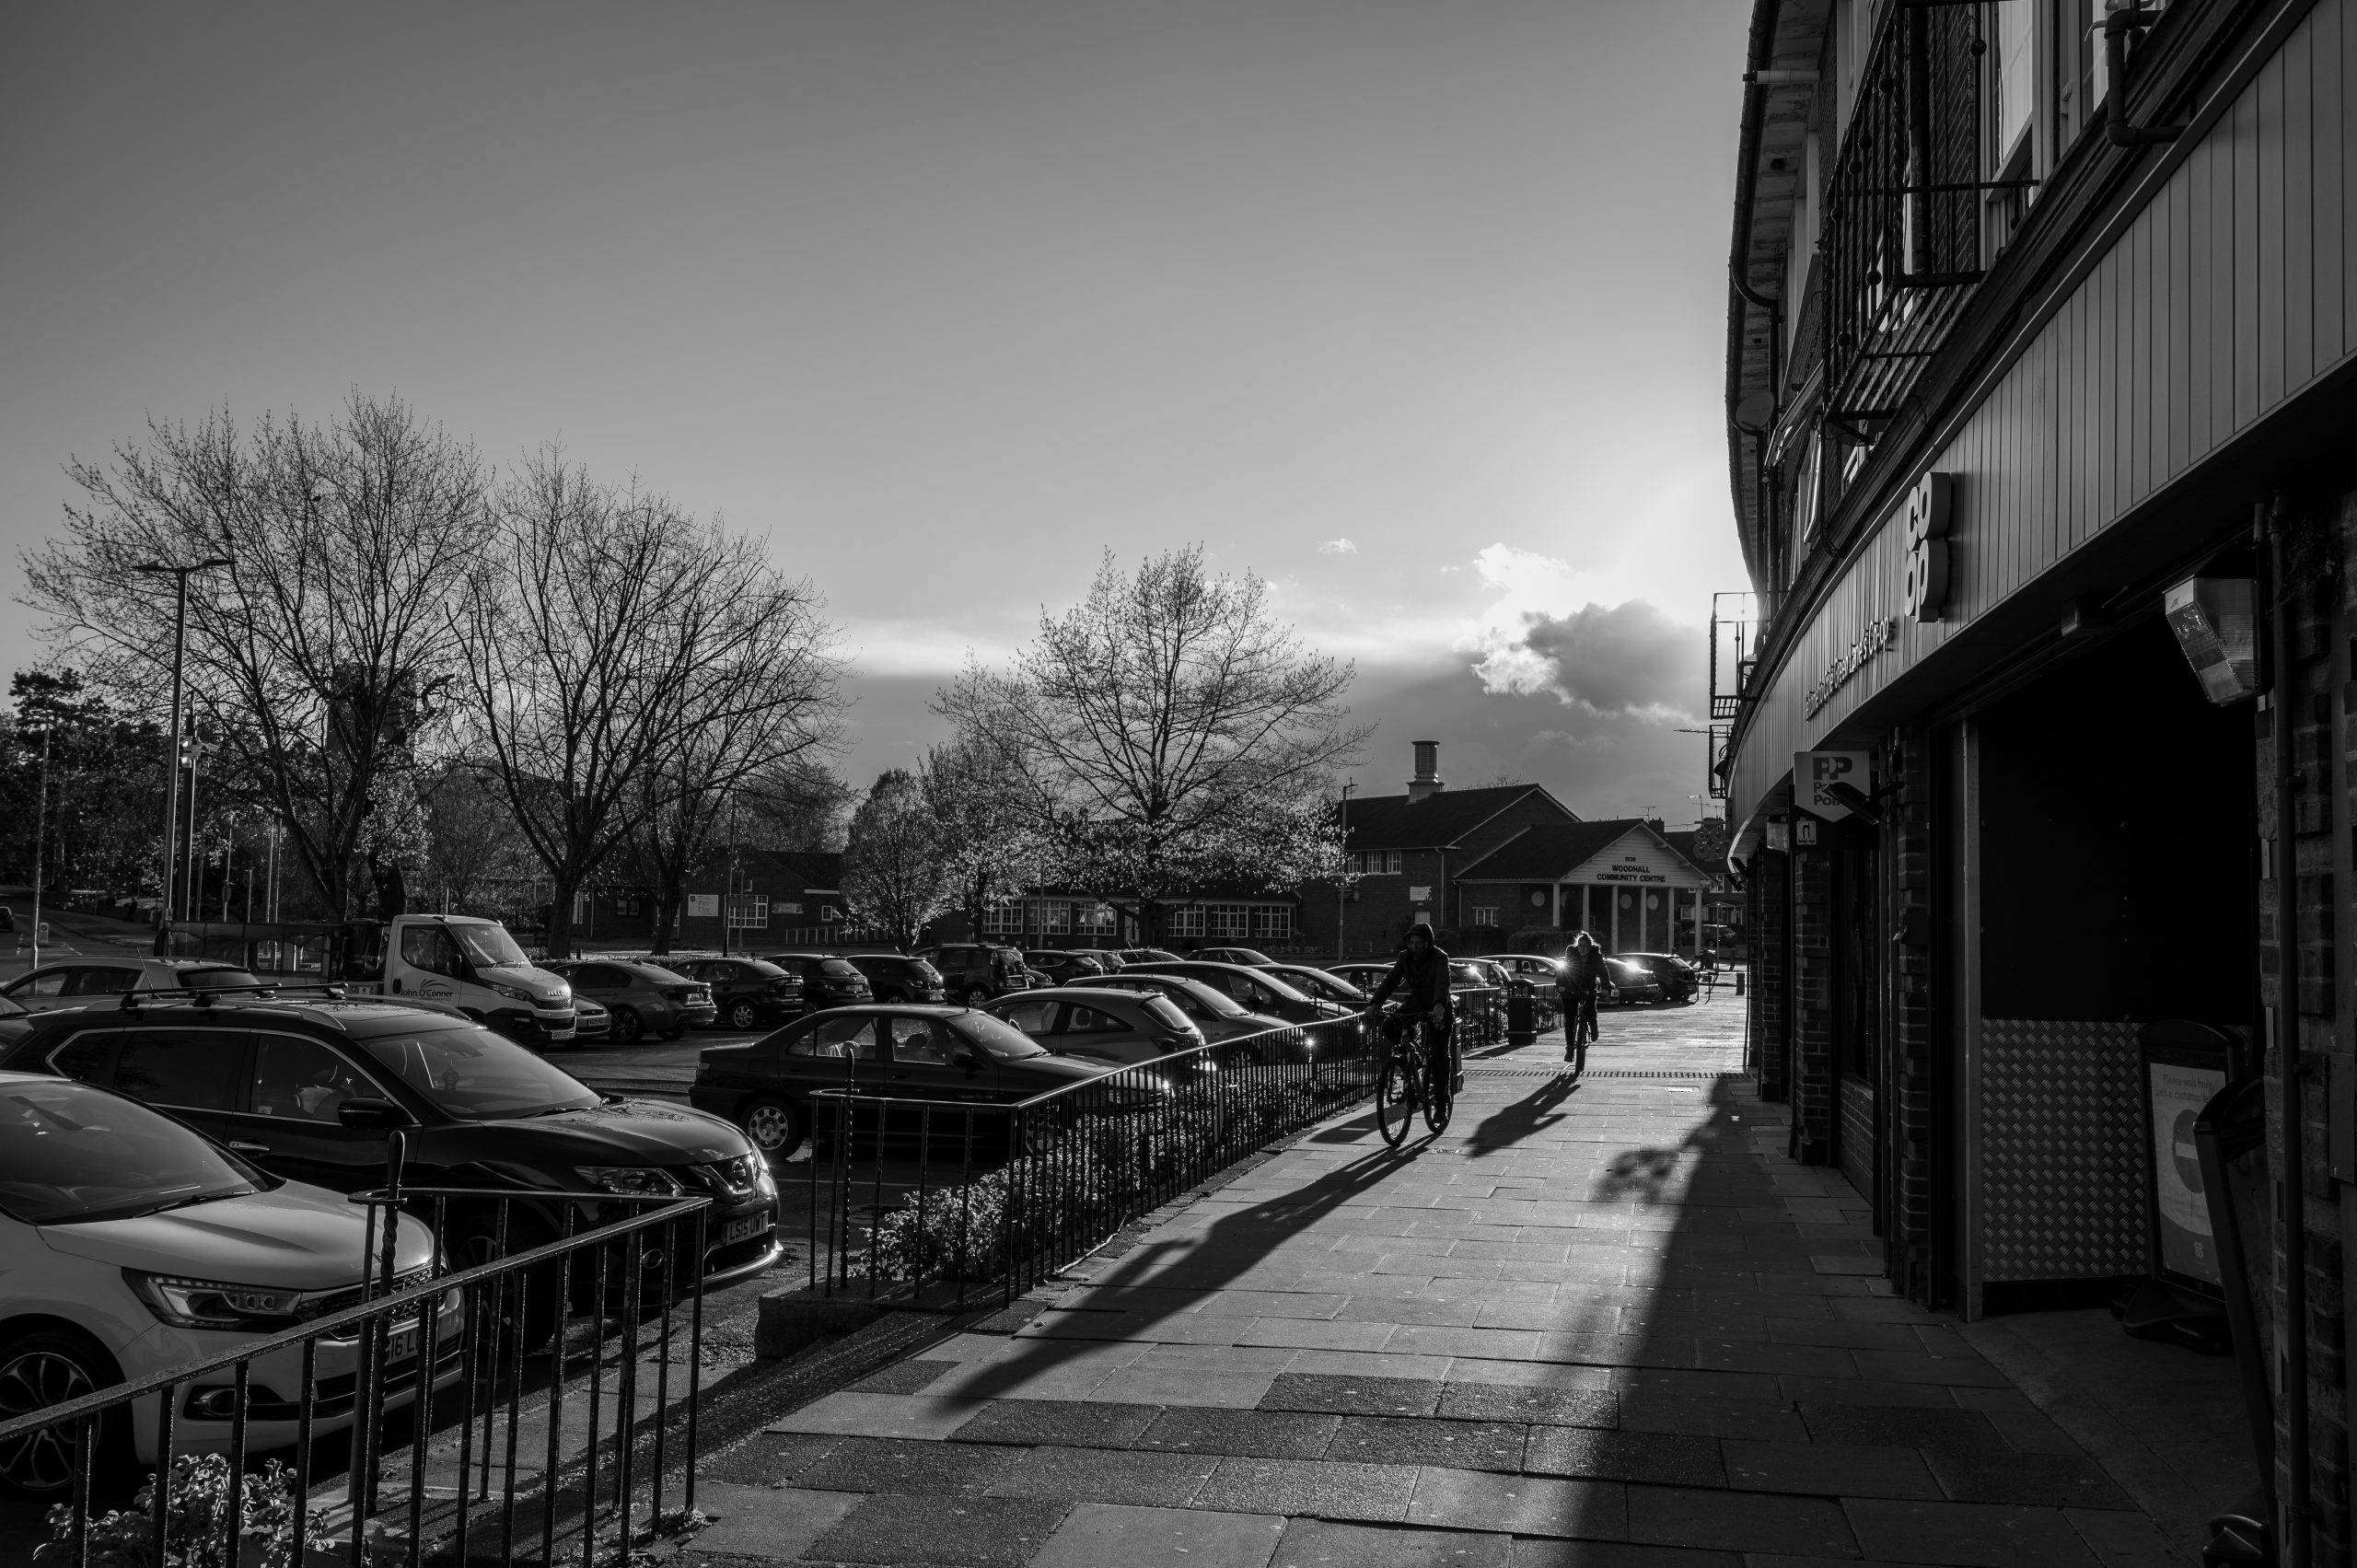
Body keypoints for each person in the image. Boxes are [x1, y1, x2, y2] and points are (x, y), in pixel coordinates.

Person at [1364, 921, 1457, 1099]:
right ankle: (1411, 1057)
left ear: (1427, 943)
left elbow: (1442, 982)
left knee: (1439, 1056)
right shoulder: (1404, 957)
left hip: (1439, 1007)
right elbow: (1391, 980)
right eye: (1411, 943)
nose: (1415, 947)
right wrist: (1375, 1003)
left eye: (1419, 944)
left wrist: (1439, 1005)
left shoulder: (1439, 957)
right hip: (1416, 1003)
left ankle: (1441, 1101)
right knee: (1390, 1026)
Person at [1558, 932, 1604, 1072]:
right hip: (1571, 988)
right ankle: (1570, 1049)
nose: (1582, 948)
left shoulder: (1595, 957)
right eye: (1580, 946)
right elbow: (1563, 971)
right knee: (1570, 1020)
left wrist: (1607, 986)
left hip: (1588, 988)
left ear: (1590, 947)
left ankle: (1594, 1025)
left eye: (1585, 946)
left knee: (1590, 1010)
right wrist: (1560, 984)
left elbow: (1604, 972)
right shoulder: (1572, 955)